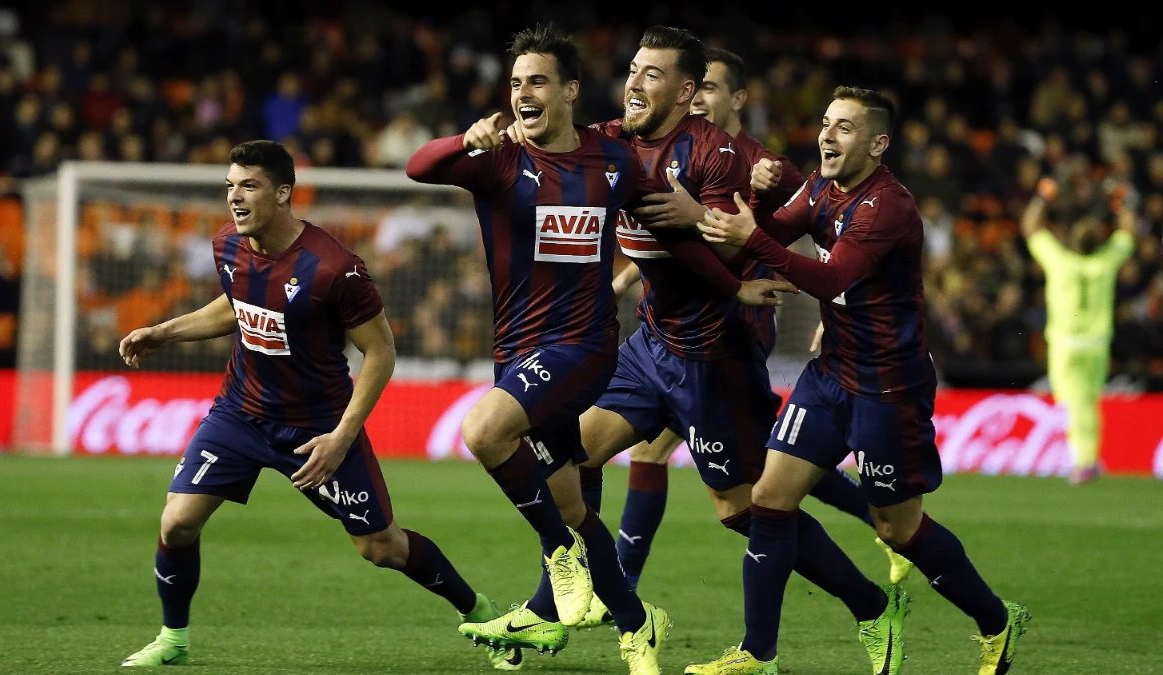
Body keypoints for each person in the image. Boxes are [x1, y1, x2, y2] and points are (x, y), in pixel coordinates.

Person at [404, 24, 783, 675]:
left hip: (585, 346)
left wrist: (734, 287)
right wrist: (464, 138)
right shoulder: (499, 159)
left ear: (570, 89)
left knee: (484, 429)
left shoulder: (613, 164)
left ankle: (557, 557)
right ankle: (638, 625)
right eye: (517, 82)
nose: (525, 92)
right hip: (519, 352)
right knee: (576, 505)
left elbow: (677, 233)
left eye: (539, 80)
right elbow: (419, 166)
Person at [119, 140, 520, 670]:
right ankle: (173, 637)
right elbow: (236, 303)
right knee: (177, 523)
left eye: (249, 186)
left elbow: (380, 352)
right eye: (230, 187)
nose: (235, 199)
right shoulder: (228, 245)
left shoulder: (334, 268)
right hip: (239, 413)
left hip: (318, 429)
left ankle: (483, 613)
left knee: (381, 548)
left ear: (283, 193)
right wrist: (165, 332)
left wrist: (343, 436)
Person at [693, 87, 1031, 675]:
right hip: (831, 373)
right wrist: (758, 196)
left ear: (877, 143)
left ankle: (997, 622)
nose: (826, 135)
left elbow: (830, 277)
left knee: (896, 528)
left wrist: (753, 235)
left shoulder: (889, 206)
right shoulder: (824, 187)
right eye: (825, 123)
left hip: (889, 385)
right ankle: (757, 654)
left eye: (844, 128)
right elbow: (771, 228)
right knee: (769, 498)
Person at [589, 47, 910, 604]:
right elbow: (670, 244)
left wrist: (763, 200)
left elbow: (804, 236)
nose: (699, 100)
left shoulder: (751, 161)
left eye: (710, 89)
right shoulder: (661, 144)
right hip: (661, 333)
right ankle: (605, 592)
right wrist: (628, 278)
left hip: (725, 333)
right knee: (597, 455)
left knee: (754, 492)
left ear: (734, 98)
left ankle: (875, 565)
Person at [1022, 177, 1137, 484]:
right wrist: (1120, 201)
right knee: (1087, 401)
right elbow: (1128, 231)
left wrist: (1044, 196)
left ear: (1071, 240)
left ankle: (1084, 461)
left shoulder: (1059, 261)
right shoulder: (1105, 263)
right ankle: (1088, 458)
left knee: (1075, 402)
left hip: (1066, 345)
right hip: (1097, 345)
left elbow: (1031, 226)